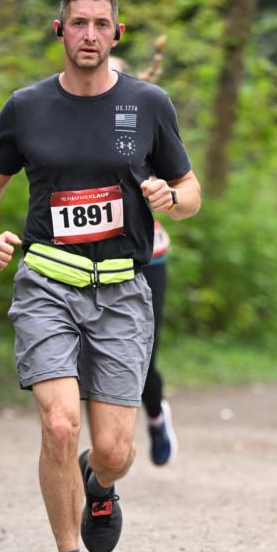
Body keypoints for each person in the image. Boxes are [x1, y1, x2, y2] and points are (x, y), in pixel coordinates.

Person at [0, 0, 201, 552]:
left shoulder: (149, 104)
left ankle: (99, 485)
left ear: (116, 33)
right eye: (79, 23)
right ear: (60, 31)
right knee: (59, 424)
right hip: (47, 282)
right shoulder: (26, 107)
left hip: (122, 291)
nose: (90, 35)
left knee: (115, 449)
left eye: (101, 24)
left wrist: (168, 200)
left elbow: (190, 192)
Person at [109, 54, 177, 467]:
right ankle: (103, 446)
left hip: (146, 257)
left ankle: (154, 415)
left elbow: (182, 186)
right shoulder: (69, 123)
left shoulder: (144, 119)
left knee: (142, 357)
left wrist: (163, 192)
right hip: (85, 260)